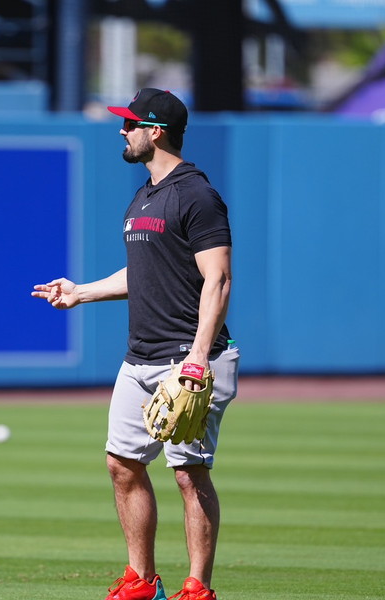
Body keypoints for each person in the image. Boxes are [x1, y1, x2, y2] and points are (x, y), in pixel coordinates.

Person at [32, 88, 239, 600]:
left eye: (130, 124)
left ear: (157, 130)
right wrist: (81, 292)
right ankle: (142, 581)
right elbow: (145, 273)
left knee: (189, 473)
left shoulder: (197, 194)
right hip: (141, 356)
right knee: (121, 463)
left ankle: (197, 588)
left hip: (191, 358)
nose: (122, 132)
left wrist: (196, 357)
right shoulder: (144, 195)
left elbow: (218, 279)